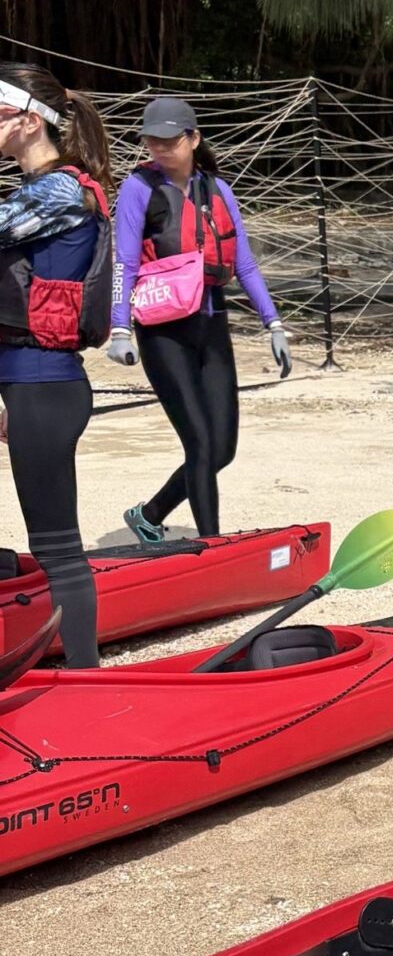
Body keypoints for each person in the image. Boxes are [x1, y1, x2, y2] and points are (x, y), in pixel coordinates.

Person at [106, 96, 291, 542]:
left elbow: (244, 264)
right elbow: (124, 262)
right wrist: (118, 327)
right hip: (162, 331)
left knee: (222, 448)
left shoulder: (218, 190)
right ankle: (212, 545)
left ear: (193, 138)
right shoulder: (138, 188)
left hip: (211, 325)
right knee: (201, 446)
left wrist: (274, 324)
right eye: (152, 140)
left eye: (169, 140)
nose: (159, 148)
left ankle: (149, 513)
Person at [0, 62, 113, 668]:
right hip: (23, 382)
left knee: (57, 547)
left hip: (42, 386)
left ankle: (84, 674)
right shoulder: (34, 191)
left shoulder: (59, 191)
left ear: (26, 119)